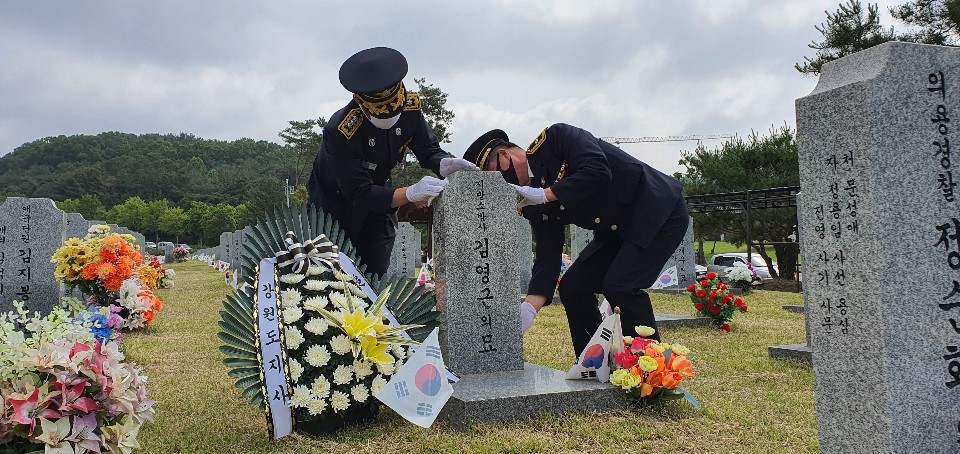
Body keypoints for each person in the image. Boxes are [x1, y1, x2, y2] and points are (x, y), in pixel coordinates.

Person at [462, 124, 688, 357]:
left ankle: (650, 367)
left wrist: (547, 194)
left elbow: (598, 171)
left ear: (504, 155)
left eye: (499, 179)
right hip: (617, 230)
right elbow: (548, 257)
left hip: (657, 211)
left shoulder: (557, 140)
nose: (507, 188)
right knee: (573, 287)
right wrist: (527, 311)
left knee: (621, 286)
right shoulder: (531, 201)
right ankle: (593, 363)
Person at [307, 47, 478, 275]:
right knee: (333, 277)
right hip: (334, 209)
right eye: (380, 115)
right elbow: (358, 191)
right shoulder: (341, 130)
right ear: (358, 100)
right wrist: (410, 193)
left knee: (375, 271)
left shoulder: (409, 109)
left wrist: (442, 162)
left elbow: (426, 148)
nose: (389, 119)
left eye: (394, 113)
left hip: (380, 205)